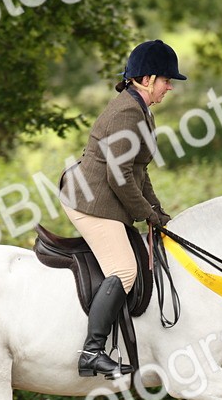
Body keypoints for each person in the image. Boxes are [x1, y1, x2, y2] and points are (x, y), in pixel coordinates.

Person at [58, 39, 186, 378]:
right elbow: (119, 175)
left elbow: (138, 171)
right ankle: (91, 352)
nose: (169, 87)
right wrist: (145, 213)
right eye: (165, 80)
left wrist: (157, 213)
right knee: (125, 270)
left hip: (107, 194)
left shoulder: (140, 109)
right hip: (91, 201)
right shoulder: (128, 112)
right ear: (146, 79)